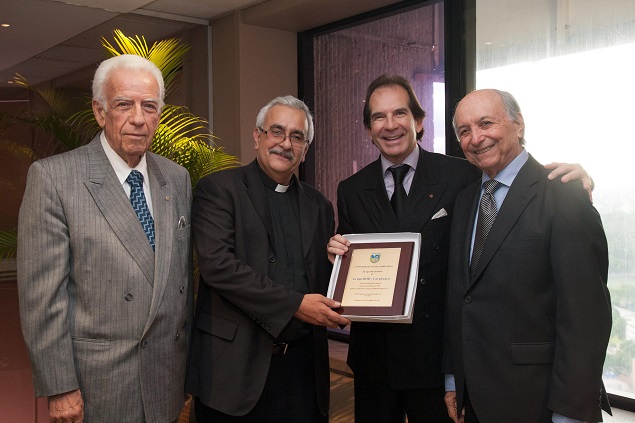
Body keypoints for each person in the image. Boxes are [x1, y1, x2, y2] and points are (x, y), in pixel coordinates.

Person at [327, 74, 593, 423]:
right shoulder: (350, 188)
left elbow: (511, 182)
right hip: (376, 357)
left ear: (418, 121)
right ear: (368, 128)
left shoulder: (462, 176)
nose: (390, 125)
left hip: (438, 359)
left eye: (400, 114)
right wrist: (336, 254)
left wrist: (577, 178)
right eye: (378, 117)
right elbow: (351, 254)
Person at [17, 54, 193, 423]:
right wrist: (60, 386)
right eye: (124, 105)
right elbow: (42, 298)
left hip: (166, 378)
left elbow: (181, 283)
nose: (138, 119)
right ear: (99, 112)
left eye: (149, 106)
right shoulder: (55, 178)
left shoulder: (176, 179)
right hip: (97, 383)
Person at [443, 89, 611, 423]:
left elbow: (585, 317)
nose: (476, 138)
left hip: (540, 401)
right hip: (475, 399)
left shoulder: (564, 196)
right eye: (464, 131)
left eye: (486, 123)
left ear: (518, 124)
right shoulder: (464, 201)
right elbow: (460, 296)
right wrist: (453, 380)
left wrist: (570, 411)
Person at [186, 95, 350, 422]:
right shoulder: (219, 189)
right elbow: (219, 267)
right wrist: (295, 304)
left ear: (305, 148)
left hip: (302, 372)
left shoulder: (319, 206)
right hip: (233, 372)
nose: (285, 143)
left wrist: (338, 267)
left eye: (297, 136)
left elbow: (317, 280)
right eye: (276, 132)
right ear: (257, 136)